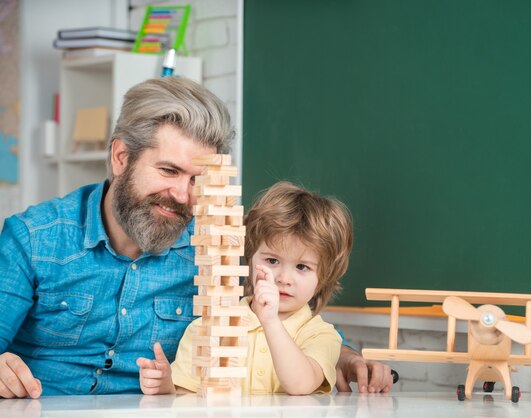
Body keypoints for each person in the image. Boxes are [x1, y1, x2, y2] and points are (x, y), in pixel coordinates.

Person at [0, 77, 392, 399]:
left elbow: (286, 315)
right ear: (121, 158)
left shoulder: (215, 246)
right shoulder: (33, 239)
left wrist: (346, 358)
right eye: (169, 171)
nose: (184, 195)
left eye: (197, 180)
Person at [137, 181, 352, 395]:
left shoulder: (322, 335)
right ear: (249, 259)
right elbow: (187, 397)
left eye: (302, 267)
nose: (284, 279)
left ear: (324, 277)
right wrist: (166, 387)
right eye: (272, 261)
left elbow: (301, 385)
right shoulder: (210, 327)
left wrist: (270, 321)